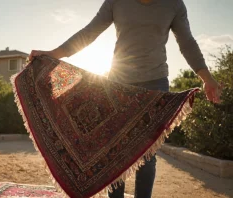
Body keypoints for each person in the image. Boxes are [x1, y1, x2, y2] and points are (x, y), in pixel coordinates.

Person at [29, 0, 222, 197]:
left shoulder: (174, 4)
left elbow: (187, 42)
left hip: (155, 86)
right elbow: (89, 32)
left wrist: (207, 78)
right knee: (114, 153)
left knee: (147, 155)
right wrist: (54, 54)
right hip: (118, 84)